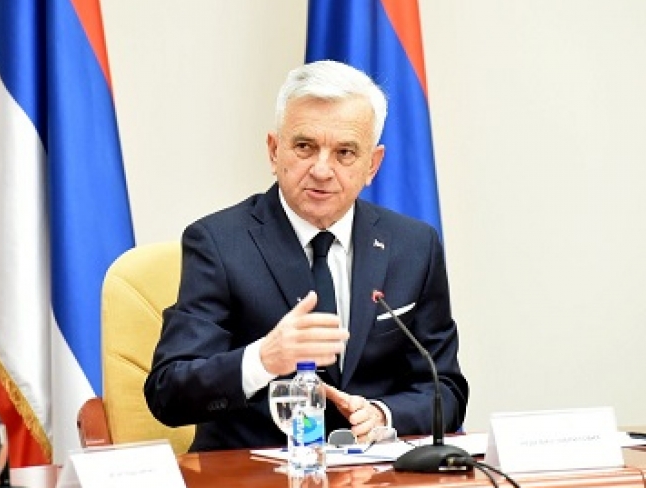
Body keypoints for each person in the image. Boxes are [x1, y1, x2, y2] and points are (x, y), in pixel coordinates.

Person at [143, 60, 468, 452]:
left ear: (372, 165)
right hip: (253, 477)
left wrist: (383, 415)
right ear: (274, 150)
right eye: (304, 147)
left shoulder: (414, 246)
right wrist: (262, 359)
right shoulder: (218, 243)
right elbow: (168, 391)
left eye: (345, 152)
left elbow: (445, 389)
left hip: (374, 476)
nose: (322, 170)